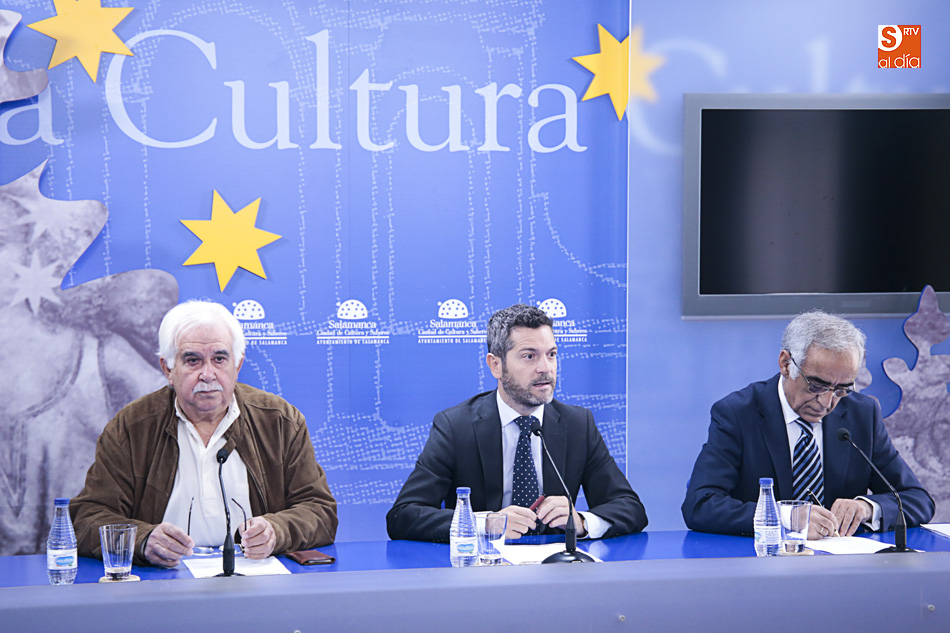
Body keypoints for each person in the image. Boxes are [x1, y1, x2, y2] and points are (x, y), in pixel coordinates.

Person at [70, 300, 337, 567]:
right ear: (168, 369)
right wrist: (143, 540)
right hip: (164, 579)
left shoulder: (279, 420)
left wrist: (277, 531)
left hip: (257, 579)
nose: (207, 374)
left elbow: (320, 510)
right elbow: (87, 517)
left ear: (238, 365)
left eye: (219, 359)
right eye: (193, 360)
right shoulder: (132, 427)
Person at [387, 304, 647, 542]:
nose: (545, 368)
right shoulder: (456, 427)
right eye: (529, 356)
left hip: (556, 568)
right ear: (496, 365)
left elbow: (630, 508)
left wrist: (580, 521)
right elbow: (403, 516)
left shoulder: (578, 424)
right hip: (482, 569)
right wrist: (486, 523)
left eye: (551, 354)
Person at [682, 310, 934, 538]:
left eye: (842, 390)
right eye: (816, 386)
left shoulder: (862, 414)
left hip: (842, 562)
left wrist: (867, 508)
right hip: (762, 562)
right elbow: (700, 504)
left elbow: (918, 500)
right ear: (786, 364)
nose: (826, 402)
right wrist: (787, 518)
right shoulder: (738, 413)